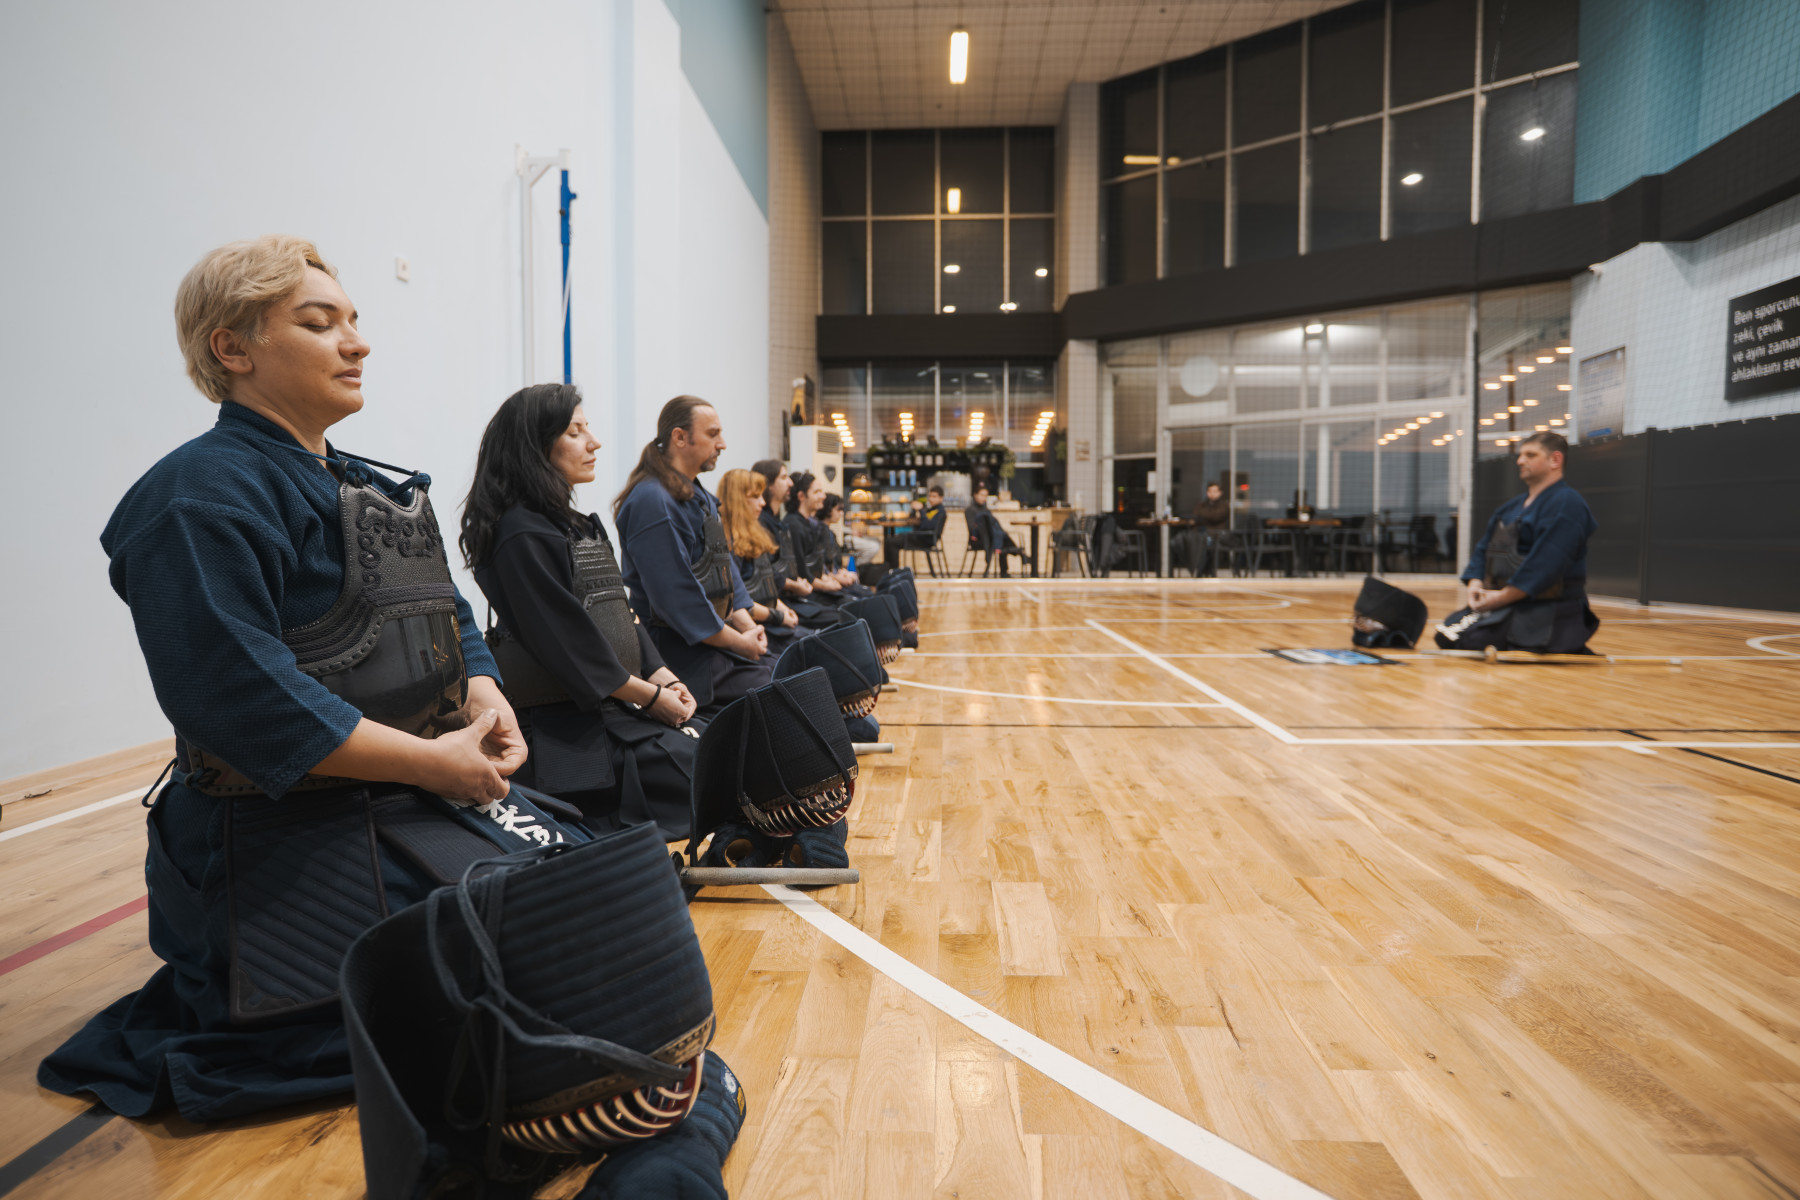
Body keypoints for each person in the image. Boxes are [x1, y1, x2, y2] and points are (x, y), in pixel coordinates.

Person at [38, 237, 593, 1124]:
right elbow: (239, 696)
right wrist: (432, 764)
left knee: (592, 904)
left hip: (402, 797)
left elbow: (448, 610)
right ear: (233, 348)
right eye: (319, 322)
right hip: (281, 834)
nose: (357, 342)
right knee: (511, 986)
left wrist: (485, 695)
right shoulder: (195, 495)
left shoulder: (360, 483)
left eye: (354, 320)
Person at [461, 384, 704, 837]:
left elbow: (620, 612)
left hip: (618, 709)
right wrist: (651, 698)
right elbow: (568, 642)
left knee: (732, 751)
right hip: (572, 731)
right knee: (721, 771)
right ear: (536, 446)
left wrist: (663, 675)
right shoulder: (520, 533)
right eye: (575, 432)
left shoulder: (571, 525)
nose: (594, 443)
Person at [614, 397, 772, 718]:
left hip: (713, 643)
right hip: (677, 655)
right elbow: (679, 601)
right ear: (680, 437)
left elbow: (723, 568)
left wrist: (748, 627)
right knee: (788, 688)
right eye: (713, 434)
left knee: (799, 667)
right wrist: (740, 643)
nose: (722, 444)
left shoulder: (697, 496)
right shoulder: (652, 501)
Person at [1437, 431, 1601, 653]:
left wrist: (1502, 597)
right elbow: (1484, 549)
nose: (1520, 461)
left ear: (1555, 460)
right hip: (1506, 601)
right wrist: (1475, 585)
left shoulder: (1568, 504)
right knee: (1445, 635)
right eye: (1521, 455)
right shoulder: (1511, 508)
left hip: (1549, 609)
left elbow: (1546, 563)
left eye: (1530, 455)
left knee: (1474, 640)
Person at [718, 467, 808, 651]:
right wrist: (778, 616)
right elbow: (739, 602)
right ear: (738, 500)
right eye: (755, 496)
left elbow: (768, 582)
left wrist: (782, 609)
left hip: (771, 620)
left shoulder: (754, 536)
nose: (762, 502)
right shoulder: (727, 545)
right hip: (754, 629)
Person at [967, 484, 1032, 577]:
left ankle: (1006, 570)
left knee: (1001, 537)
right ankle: (1019, 555)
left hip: (990, 538)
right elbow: (972, 528)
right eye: (981, 495)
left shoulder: (986, 510)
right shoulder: (970, 510)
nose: (984, 498)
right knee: (1000, 539)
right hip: (978, 540)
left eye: (985, 496)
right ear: (975, 495)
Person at [822, 492, 881, 567]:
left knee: (877, 541)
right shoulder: (823, 532)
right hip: (846, 539)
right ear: (828, 510)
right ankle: (859, 567)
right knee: (873, 546)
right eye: (838, 510)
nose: (841, 514)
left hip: (836, 568)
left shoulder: (829, 531)